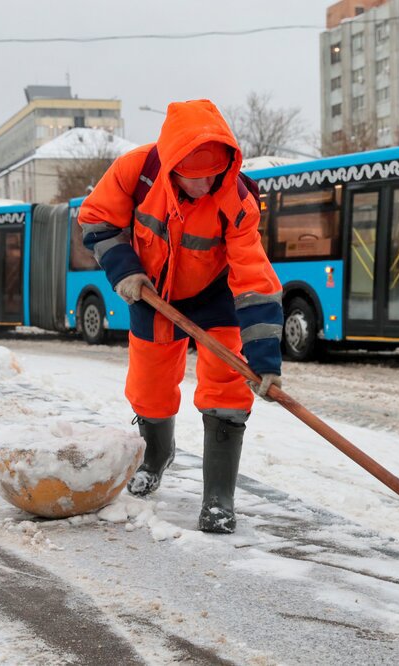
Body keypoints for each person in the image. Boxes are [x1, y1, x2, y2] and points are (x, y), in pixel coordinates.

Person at [79, 99, 284, 534]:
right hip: (154, 292)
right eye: (193, 177)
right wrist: (126, 270)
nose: (204, 184)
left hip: (216, 295)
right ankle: (156, 455)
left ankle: (218, 499)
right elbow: (96, 219)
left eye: (213, 174)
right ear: (172, 166)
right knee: (149, 386)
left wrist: (264, 362)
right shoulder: (136, 172)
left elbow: (254, 277)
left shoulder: (237, 199)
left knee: (227, 388)